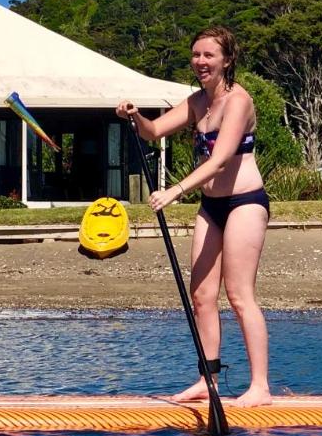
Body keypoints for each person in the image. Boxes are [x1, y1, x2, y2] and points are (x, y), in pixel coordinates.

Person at [116, 26, 272, 407]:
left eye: (209, 56)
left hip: (245, 202)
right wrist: (135, 116)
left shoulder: (239, 101)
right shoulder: (197, 101)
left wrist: (175, 191)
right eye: (196, 55)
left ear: (227, 60)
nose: (200, 62)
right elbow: (153, 132)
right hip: (211, 206)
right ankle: (209, 380)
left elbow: (220, 161)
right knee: (202, 295)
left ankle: (260, 387)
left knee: (238, 295)